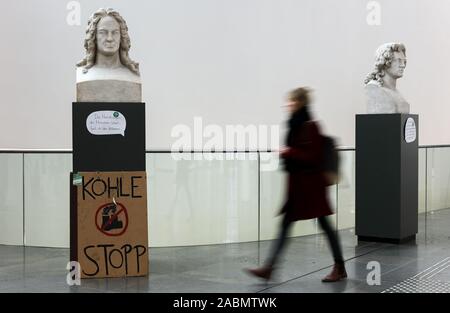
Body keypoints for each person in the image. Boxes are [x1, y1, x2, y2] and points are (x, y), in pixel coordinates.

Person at [246, 87, 347, 282]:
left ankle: (339, 266)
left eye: (291, 101)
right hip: (298, 189)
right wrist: (289, 152)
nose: (288, 104)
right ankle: (269, 268)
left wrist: (288, 152)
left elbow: (313, 157)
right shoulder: (294, 125)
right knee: (287, 226)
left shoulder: (310, 126)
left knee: (324, 225)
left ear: (300, 103)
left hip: (311, 188)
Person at [364, 42, 409, 114]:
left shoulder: (397, 93)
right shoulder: (374, 88)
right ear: (385, 62)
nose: (403, 65)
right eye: (399, 61)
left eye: (404, 62)